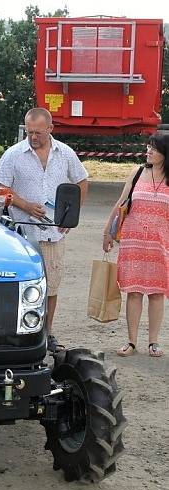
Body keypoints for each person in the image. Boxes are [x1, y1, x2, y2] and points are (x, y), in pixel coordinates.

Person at [0, 107, 88, 352]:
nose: (33, 137)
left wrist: (71, 216)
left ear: (50, 129)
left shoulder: (65, 153)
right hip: (22, 236)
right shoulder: (13, 155)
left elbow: (82, 181)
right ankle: (19, 333)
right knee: (22, 285)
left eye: (38, 132)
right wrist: (25, 205)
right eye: (29, 132)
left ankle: (47, 334)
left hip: (53, 234)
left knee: (52, 286)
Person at [103, 133, 169, 357]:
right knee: (133, 292)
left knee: (157, 294)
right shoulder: (138, 172)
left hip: (161, 245)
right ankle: (131, 342)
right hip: (133, 242)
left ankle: (154, 342)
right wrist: (107, 232)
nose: (149, 151)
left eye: (154, 148)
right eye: (148, 147)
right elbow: (121, 203)